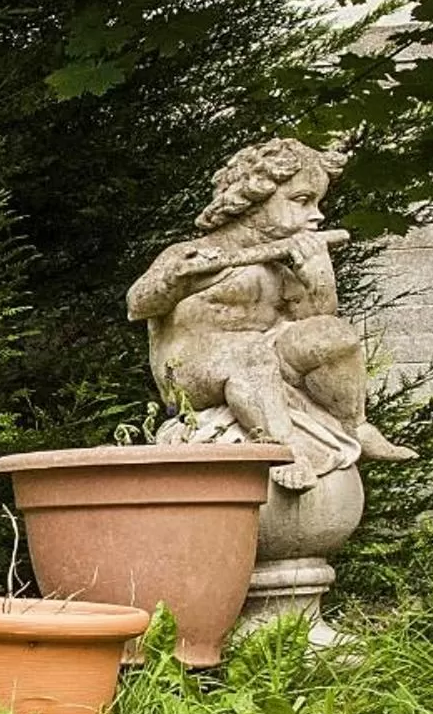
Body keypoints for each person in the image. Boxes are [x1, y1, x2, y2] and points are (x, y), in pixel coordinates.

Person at [127, 137, 413, 490]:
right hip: (192, 366)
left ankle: (354, 424)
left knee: (335, 336)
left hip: (265, 352)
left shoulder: (286, 262)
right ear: (254, 199)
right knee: (249, 352)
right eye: (302, 201)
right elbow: (138, 306)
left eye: (318, 202)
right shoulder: (192, 253)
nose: (317, 215)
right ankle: (286, 449)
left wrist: (318, 274)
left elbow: (316, 320)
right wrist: (172, 278)